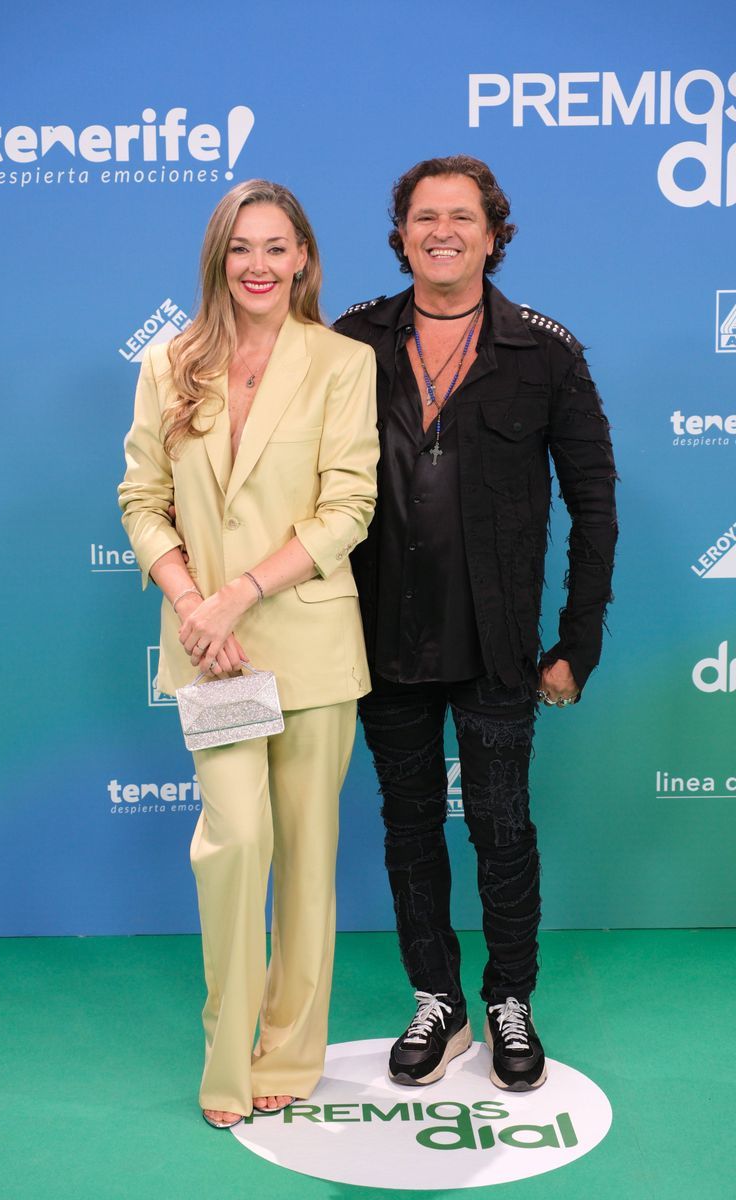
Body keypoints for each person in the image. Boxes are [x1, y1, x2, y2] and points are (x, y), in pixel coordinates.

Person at [333, 155, 617, 1092]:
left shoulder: (545, 352)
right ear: (401, 234)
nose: (442, 231)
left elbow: (594, 500)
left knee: (501, 825)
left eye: (462, 216)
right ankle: (438, 1002)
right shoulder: (352, 341)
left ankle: (509, 1001)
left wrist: (577, 641)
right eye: (425, 216)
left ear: (493, 235)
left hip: (499, 646)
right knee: (408, 825)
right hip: (379, 637)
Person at [118, 180, 378, 1128]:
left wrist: (239, 592)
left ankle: (292, 1050)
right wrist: (196, 603)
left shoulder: (343, 362)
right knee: (235, 844)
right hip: (211, 649)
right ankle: (226, 1054)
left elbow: (348, 507)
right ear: (217, 258)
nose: (258, 265)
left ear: (303, 258)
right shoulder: (168, 362)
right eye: (241, 247)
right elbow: (142, 500)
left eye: (276, 247)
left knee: (306, 857)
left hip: (307, 640)